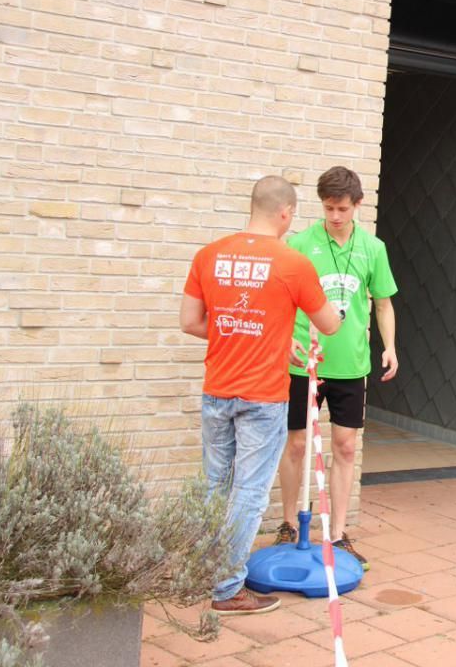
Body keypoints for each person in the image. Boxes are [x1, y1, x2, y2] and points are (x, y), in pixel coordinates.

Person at [181, 175, 342, 615]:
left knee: (214, 485)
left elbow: (191, 322)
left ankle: (203, 571)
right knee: (250, 494)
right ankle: (228, 589)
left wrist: (246, 333)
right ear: (286, 213)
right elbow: (328, 324)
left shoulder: (208, 255)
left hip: (217, 390)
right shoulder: (292, 263)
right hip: (263, 397)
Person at [273, 166, 398, 570]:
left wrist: (390, 347)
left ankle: (338, 533)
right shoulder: (300, 243)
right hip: (303, 366)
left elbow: (382, 302)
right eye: (329, 209)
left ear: (357, 205)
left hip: (351, 365)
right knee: (295, 444)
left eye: (342, 209)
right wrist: (286, 341)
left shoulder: (372, 248)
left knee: (345, 446)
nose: (335, 216)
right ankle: (289, 523)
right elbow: (280, 299)